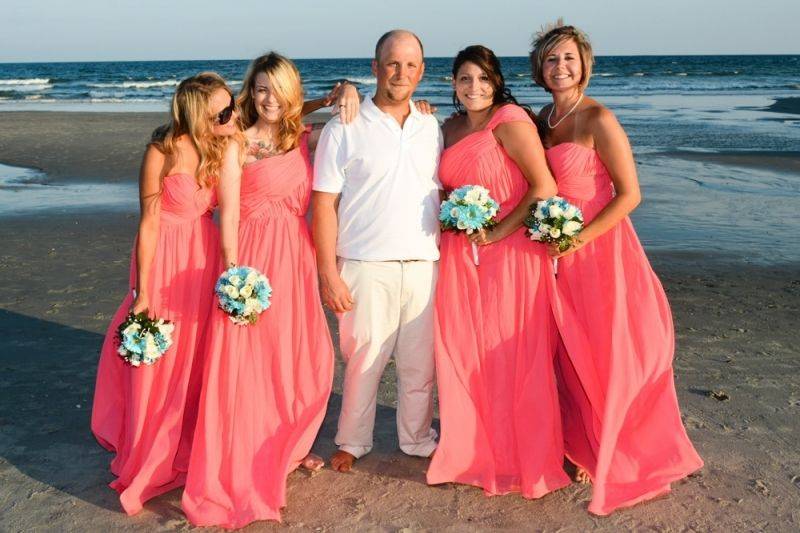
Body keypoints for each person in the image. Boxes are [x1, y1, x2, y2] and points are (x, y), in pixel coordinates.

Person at [531, 23, 703, 515]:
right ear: (539, 70)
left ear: (585, 63)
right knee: (564, 347)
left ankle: (613, 444)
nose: (560, 67)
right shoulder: (541, 118)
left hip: (599, 250)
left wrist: (577, 238)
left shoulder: (598, 118)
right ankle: (581, 441)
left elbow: (630, 194)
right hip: (554, 250)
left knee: (606, 349)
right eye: (550, 60)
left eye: (568, 58)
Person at [182, 53, 359, 528]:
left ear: (290, 92)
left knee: (302, 357)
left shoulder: (304, 138)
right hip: (255, 262)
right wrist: (234, 275)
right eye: (260, 89)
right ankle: (256, 451)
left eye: (276, 89)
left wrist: (344, 91)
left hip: (296, 258)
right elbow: (231, 213)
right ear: (250, 91)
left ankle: (289, 444)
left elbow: (352, 126)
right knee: (250, 362)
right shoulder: (237, 143)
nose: (268, 98)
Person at [91, 72, 243, 515]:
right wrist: (142, 290)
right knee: (162, 363)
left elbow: (275, 112)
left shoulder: (220, 145)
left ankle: (190, 447)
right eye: (223, 109)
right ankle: (151, 453)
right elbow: (149, 223)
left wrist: (332, 99)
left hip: (203, 258)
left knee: (197, 358)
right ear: (198, 113)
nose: (232, 113)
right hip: (165, 260)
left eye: (231, 106)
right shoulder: (160, 150)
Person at [425, 45, 570, 498]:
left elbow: (543, 185)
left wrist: (498, 231)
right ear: (452, 82)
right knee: (466, 349)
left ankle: (517, 454)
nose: (474, 88)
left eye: (483, 79)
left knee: (512, 351)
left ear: (496, 82)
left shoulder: (507, 120)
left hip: (511, 253)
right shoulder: (445, 128)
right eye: (465, 79)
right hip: (460, 253)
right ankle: (471, 450)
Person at [312, 29, 442, 473]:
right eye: (392, 63)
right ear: (375, 67)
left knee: (419, 364)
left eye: (410, 65)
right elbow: (323, 203)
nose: (401, 72)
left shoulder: (431, 125)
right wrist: (328, 273)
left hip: (425, 263)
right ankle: (352, 441)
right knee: (364, 360)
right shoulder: (343, 126)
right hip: (364, 263)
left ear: (421, 72)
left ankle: (418, 439)